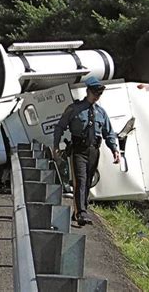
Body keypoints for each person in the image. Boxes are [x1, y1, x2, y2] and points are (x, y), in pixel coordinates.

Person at [53, 76, 120, 226]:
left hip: (94, 150)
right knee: (80, 180)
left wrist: (114, 149)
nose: (97, 96)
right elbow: (60, 127)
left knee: (88, 181)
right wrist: (55, 145)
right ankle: (81, 213)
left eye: (99, 94)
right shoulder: (74, 109)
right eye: (95, 93)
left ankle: (79, 210)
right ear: (88, 91)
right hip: (79, 150)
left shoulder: (101, 112)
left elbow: (108, 132)